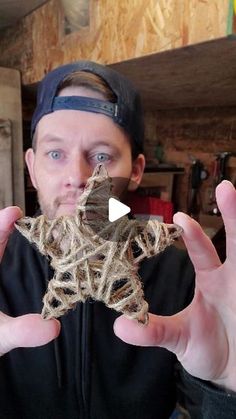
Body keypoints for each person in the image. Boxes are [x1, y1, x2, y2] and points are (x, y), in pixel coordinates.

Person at [0, 60, 236, 419]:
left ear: (137, 170)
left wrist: (226, 387)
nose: (78, 178)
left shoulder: (182, 278)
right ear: (31, 167)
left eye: (100, 156)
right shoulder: (2, 270)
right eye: (55, 153)